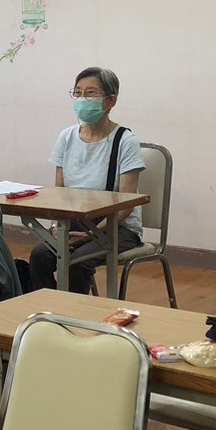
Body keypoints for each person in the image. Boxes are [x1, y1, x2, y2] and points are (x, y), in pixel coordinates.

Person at [29, 67, 145, 293]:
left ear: (110, 101)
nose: (82, 99)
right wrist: (56, 226)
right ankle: (49, 309)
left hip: (116, 227)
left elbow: (127, 204)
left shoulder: (125, 141)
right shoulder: (67, 137)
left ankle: (73, 312)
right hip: (73, 223)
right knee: (40, 255)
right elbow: (59, 192)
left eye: (90, 93)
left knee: (78, 262)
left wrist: (91, 235)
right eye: (78, 92)